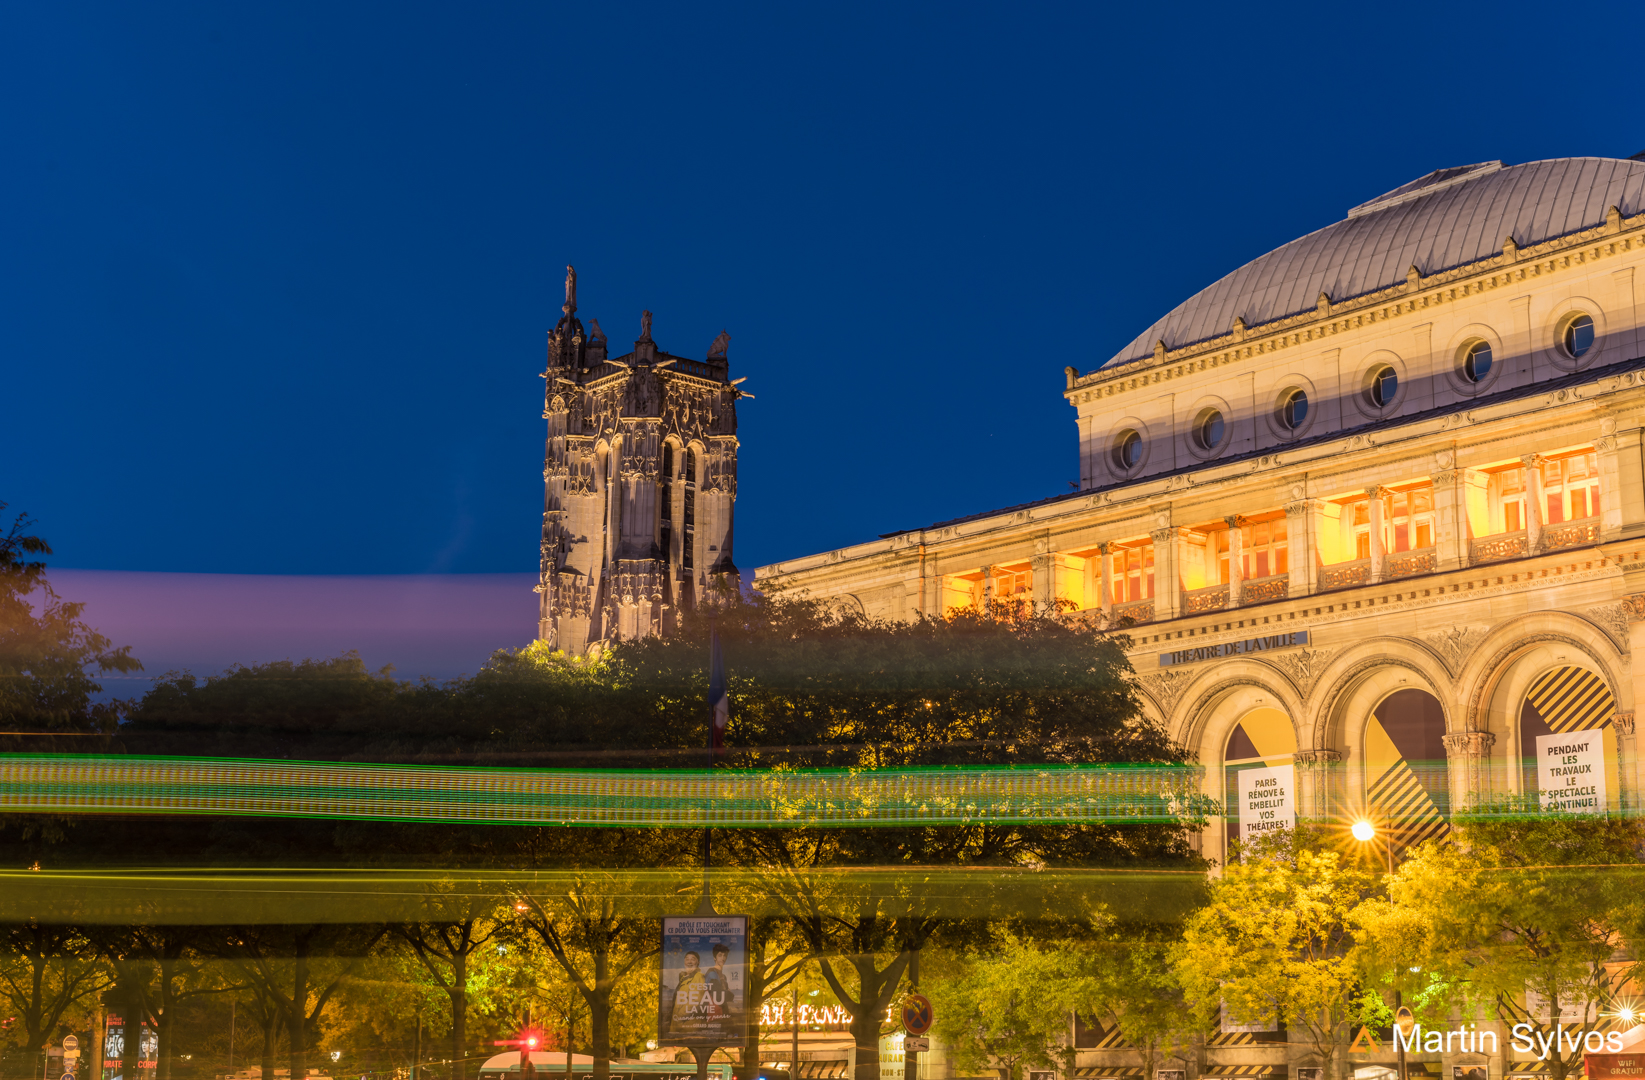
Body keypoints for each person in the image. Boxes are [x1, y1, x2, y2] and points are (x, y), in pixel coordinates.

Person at [701, 943, 732, 1019]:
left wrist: (725, 993)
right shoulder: (711, 973)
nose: (723, 958)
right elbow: (718, 997)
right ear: (715, 958)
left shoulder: (723, 976)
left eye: (725, 955)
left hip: (721, 1013)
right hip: (713, 1016)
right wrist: (730, 994)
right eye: (720, 955)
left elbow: (722, 995)